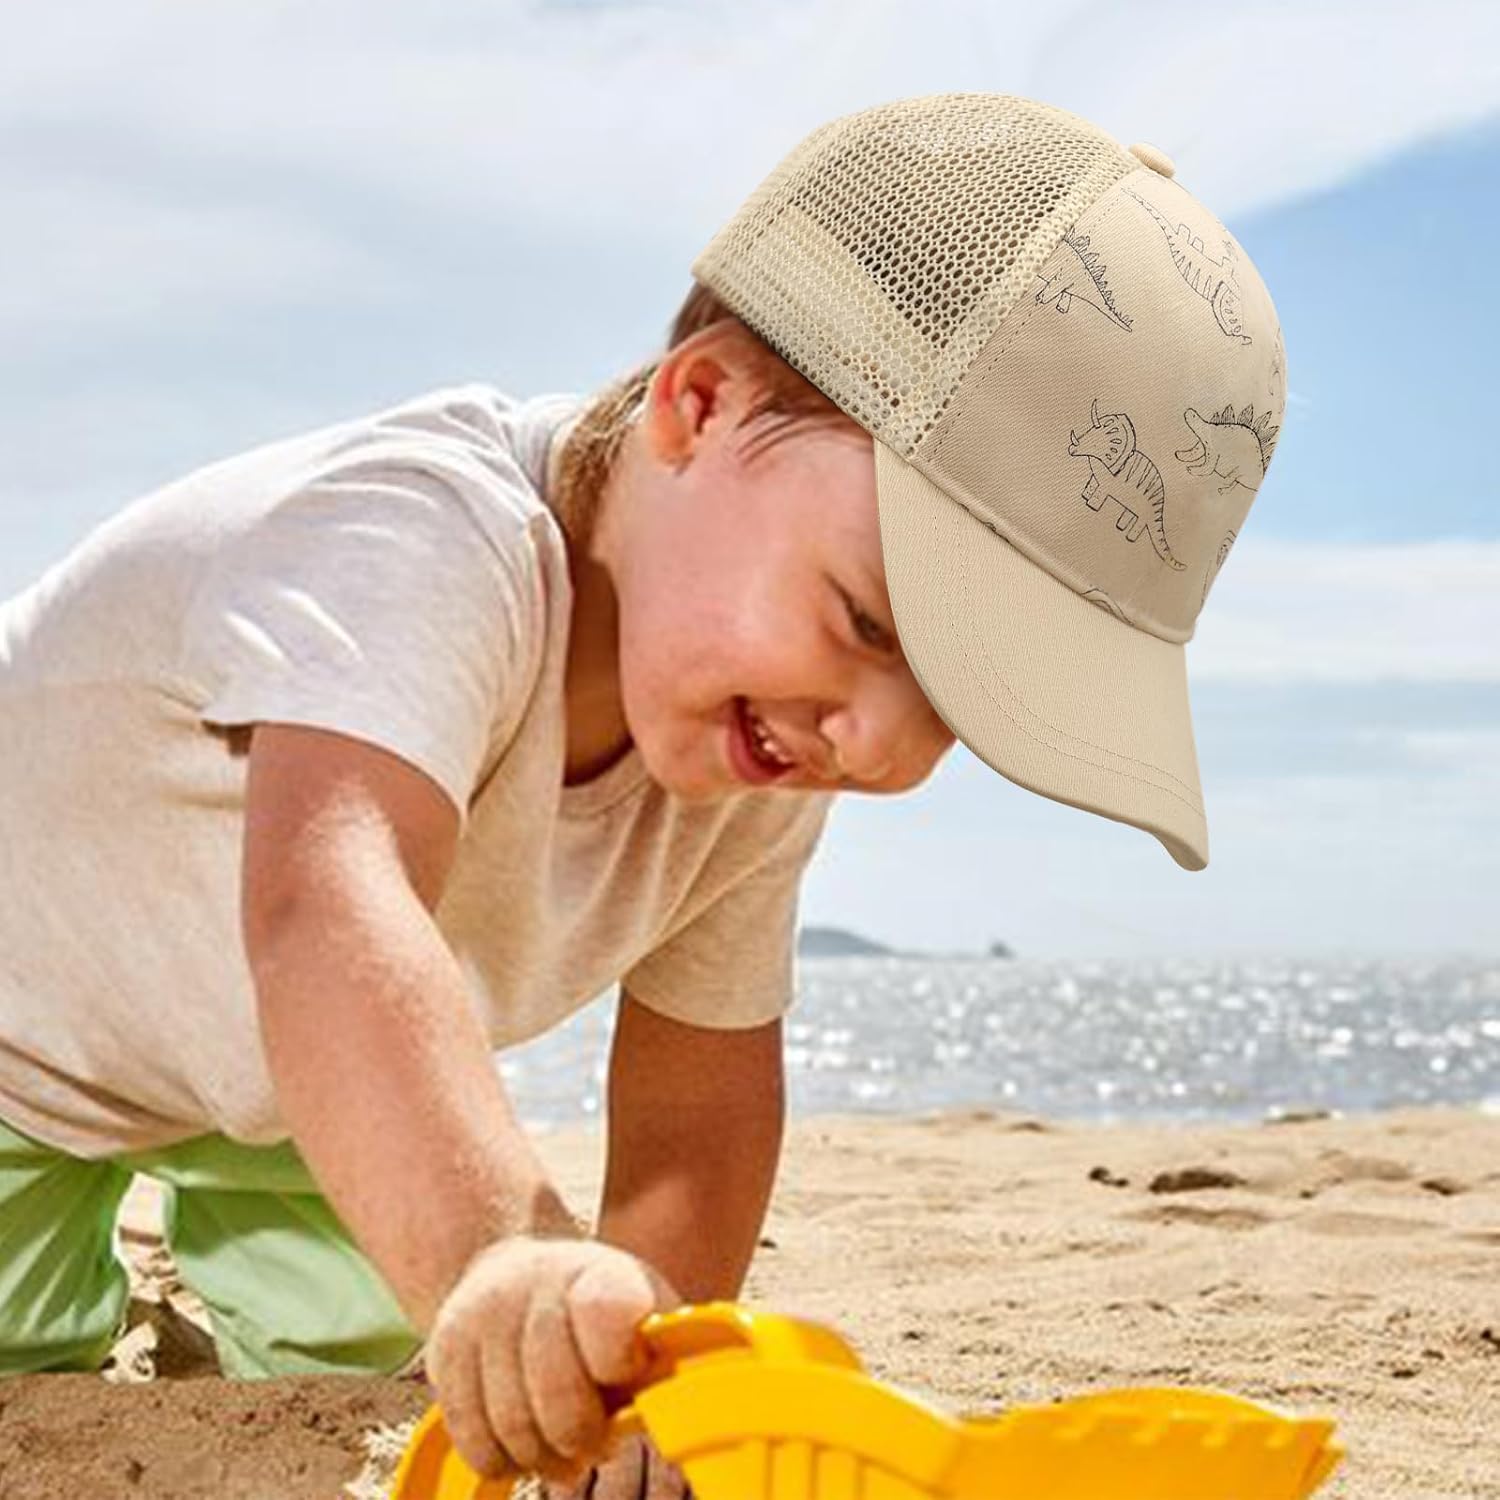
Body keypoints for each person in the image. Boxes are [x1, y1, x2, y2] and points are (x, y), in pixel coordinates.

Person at [0, 90, 1285, 1500]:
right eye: (867, 621)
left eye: (965, 711)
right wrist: (506, 1250)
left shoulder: (767, 737)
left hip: (284, 1099)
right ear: (701, 404)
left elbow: (702, 1086)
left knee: (438, 1372)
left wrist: (640, 1372)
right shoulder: (416, 539)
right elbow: (323, 907)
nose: (880, 745)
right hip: (29, 1035)